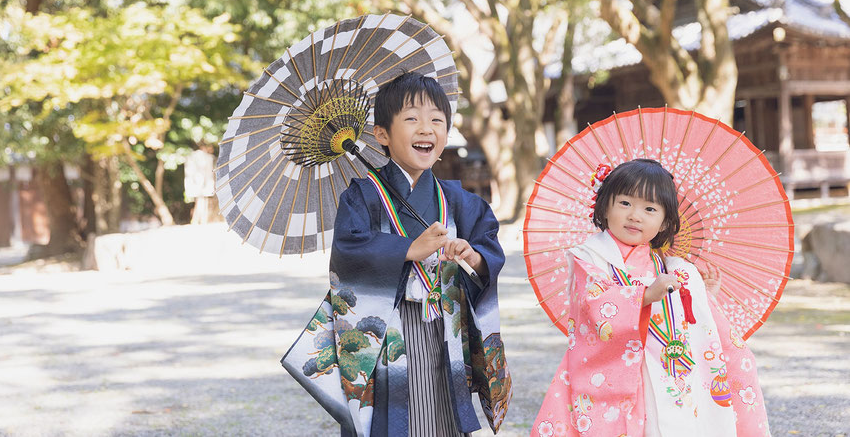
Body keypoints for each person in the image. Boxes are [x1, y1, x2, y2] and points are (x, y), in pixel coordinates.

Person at [282, 72, 512, 437]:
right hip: (390, 327)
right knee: (397, 418)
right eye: (412, 119)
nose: (427, 128)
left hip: (446, 326)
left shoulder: (456, 198)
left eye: (437, 119)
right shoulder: (363, 194)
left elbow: (487, 244)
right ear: (382, 135)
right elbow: (348, 248)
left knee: (445, 411)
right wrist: (408, 248)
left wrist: (471, 255)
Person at [531, 158, 770, 437]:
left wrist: (703, 298)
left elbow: (696, 322)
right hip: (619, 370)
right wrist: (644, 296)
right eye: (625, 203)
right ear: (605, 205)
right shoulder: (590, 257)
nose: (635, 215)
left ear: (664, 221)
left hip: (667, 367)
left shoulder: (671, 267)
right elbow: (592, 303)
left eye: (649, 209)